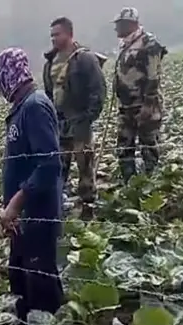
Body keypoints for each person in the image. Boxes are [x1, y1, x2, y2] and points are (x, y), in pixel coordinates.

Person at [0, 48, 65, 325]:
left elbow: (49, 165)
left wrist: (16, 202)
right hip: (24, 217)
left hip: (38, 213)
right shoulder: (23, 107)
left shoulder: (35, 106)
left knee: (41, 282)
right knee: (21, 278)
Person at [42, 16, 107, 207]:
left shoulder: (85, 58)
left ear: (69, 34)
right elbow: (48, 92)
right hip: (59, 122)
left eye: (57, 34)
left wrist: (89, 117)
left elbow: (98, 89)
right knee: (59, 164)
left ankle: (88, 203)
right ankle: (59, 201)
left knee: (85, 164)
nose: (53, 39)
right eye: (51, 35)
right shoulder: (50, 62)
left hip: (80, 120)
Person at [113, 7, 168, 181]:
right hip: (126, 106)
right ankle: (129, 183)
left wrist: (149, 104)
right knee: (123, 146)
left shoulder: (149, 43)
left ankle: (151, 182)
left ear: (130, 24)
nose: (116, 29)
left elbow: (154, 76)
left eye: (119, 25)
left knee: (148, 144)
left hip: (144, 105)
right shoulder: (125, 44)